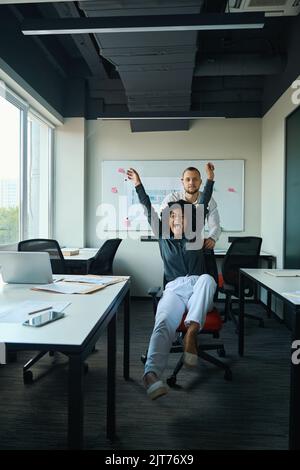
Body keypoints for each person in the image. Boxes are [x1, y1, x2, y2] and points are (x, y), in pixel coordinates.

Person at [127, 163, 217, 400]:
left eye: (183, 216)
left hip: (199, 286)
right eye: (172, 216)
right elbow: (147, 207)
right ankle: (151, 375)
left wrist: (210, 180)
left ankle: (191, 331)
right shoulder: (162, 235)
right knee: (163, 321)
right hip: (175, 290)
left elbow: (205, 200)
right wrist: (138, 184)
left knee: (208, 279)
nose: (177, 219)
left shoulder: (196, 234)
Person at [160, 166, 221, 250]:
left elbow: (215, 224)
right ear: (182, 182)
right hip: (174, 246)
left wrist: (212, 238)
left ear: (200, 182)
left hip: (195, 246)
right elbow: (163, 222)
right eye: (187, 179)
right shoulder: (171, 199)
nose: (191, 182)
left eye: (195, 179)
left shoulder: (208, 200)